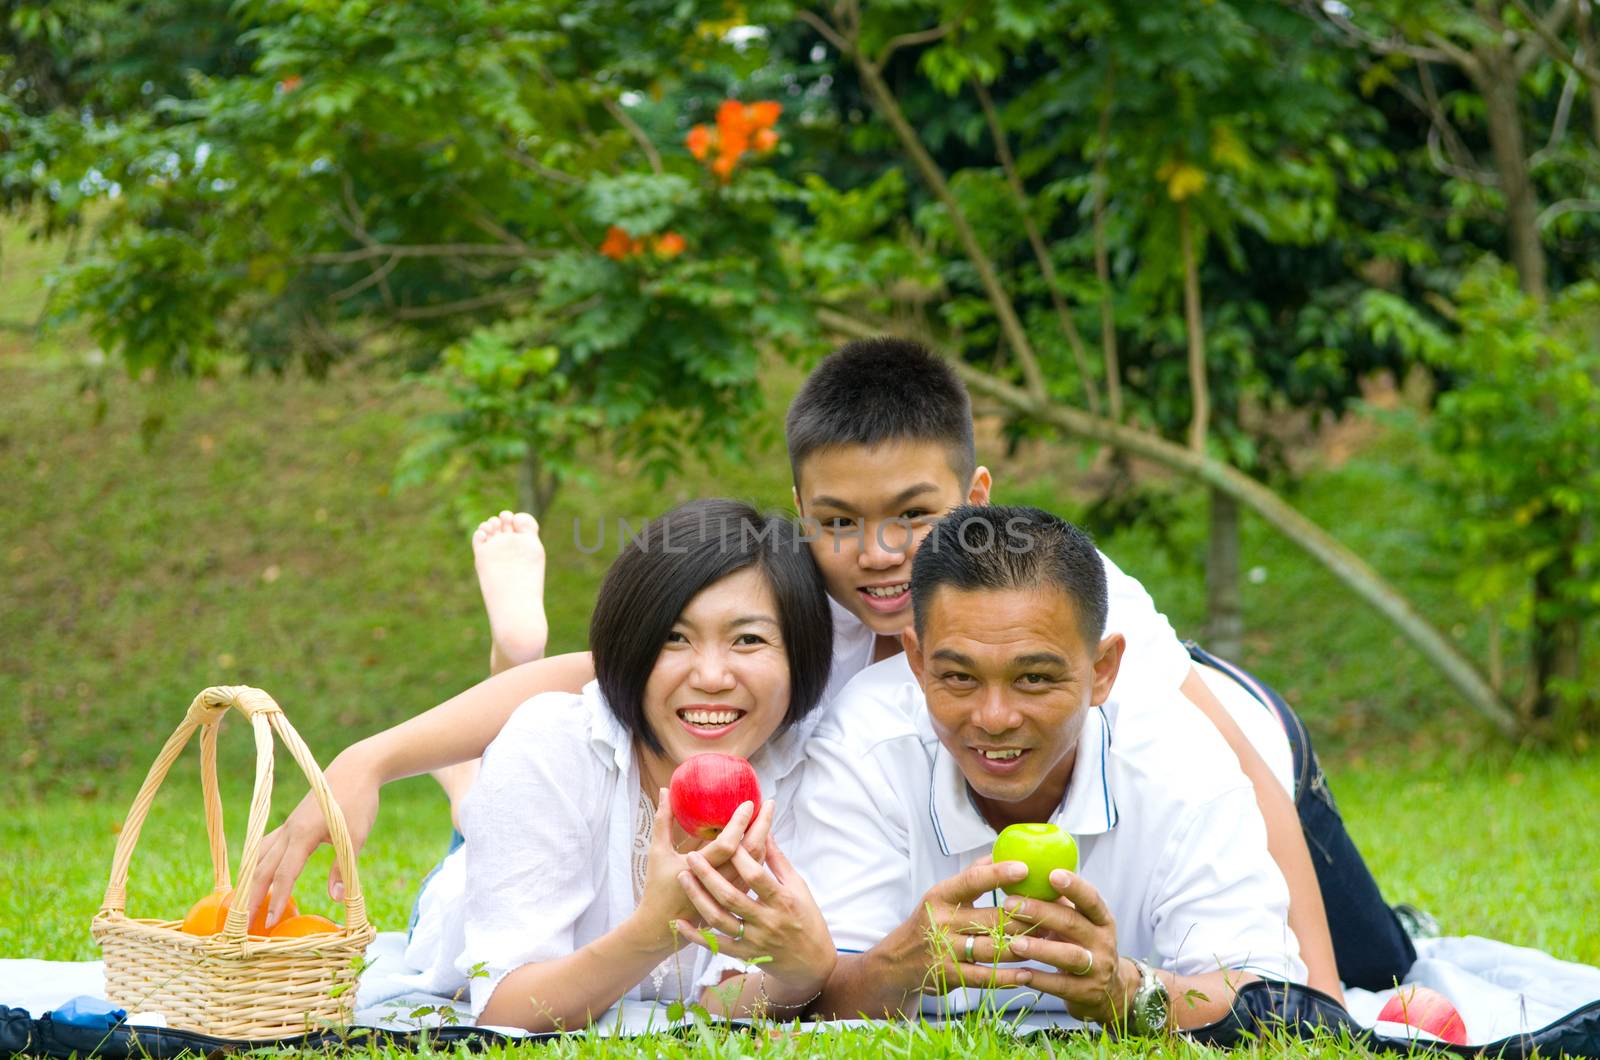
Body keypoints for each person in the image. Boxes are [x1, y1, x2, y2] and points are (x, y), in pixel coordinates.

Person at [251, 337, 1413, 995]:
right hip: (986, 746)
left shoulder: (1058, 591)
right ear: (802, 511)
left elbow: (1225, 767)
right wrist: (372, 756)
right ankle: (495, 663)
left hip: (1250, 748)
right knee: (552, 778)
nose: (880, 554)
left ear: (972, 500)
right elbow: (603, 680)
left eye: (912, 515)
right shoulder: (808, 591)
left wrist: (1318, 987)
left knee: (1365, 974)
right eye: (840, 521)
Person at [779, 505, 1305, 1027]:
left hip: (1277, 734)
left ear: (1102, 670)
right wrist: (896, 966)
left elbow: (1274, 1004)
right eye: (959, 677)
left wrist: (1127, 991)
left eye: (1033, 679)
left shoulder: (1183, 759)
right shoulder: (865, 745)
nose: (994, 718)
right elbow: (803, 999)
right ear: (917, 662)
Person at [404, 499, 837, 1031]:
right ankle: (471, 775)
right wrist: (655, 931)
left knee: (492, 790)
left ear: (802, 655)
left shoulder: (819, 768)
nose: (711, 676)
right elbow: (505, 1009)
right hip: (468, 886)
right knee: (472, 834)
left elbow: (716, 1006)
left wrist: (802, 973)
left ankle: (470, 782)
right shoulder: (551, 741)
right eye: (674, 637)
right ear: (629, 646)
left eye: (748, 639)